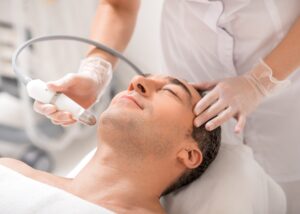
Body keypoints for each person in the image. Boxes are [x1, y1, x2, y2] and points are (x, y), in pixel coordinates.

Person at [33, 1, 300, 212]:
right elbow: (118, 5)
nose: (136, 81)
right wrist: (96, 68)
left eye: (170, 91)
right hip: (192, 58)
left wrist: (259, 82)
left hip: (288, 91)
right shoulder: (14, 173)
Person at [0, 75, 221, 213]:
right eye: (142, 78)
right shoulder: (10, 171)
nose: (136, 82)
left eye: (170, 92)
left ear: (189, 154)